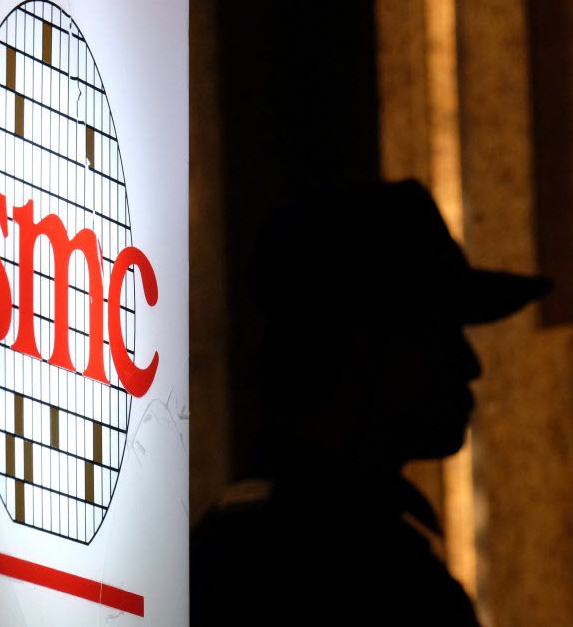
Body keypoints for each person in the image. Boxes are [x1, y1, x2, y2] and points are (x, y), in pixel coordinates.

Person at [190, 179, 551, 626]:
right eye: (440, 332)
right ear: (360, 342)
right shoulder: (370, 576)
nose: (469, 364)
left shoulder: (232, 549)